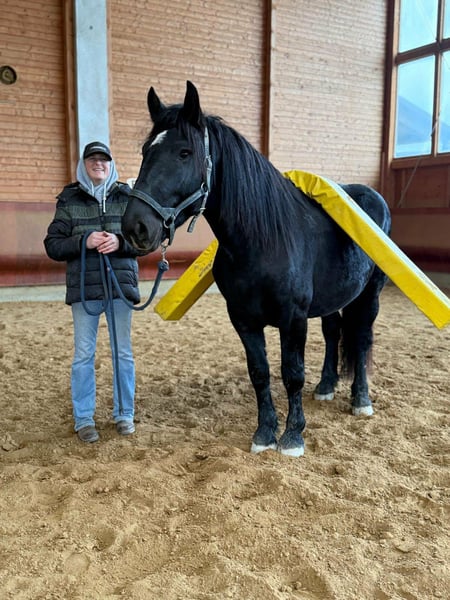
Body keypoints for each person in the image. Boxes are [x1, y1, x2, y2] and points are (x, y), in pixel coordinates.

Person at [44, 141, 141, 443]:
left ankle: (124, 414)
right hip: (85, 290)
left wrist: (121, 242)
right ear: (83, 165)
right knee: (84, 354)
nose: (99, 163)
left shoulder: (128, 197)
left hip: (119, 288)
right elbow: (53, 245)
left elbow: (144, 240)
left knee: (122, 353)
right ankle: (84, 418)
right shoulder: (69, 199)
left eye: (104, 159)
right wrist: (83, 241)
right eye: (92, 159)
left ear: (111, 164)